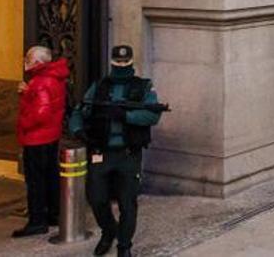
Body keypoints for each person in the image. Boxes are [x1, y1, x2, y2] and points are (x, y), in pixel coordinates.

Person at [69, 45, 164, 257]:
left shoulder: (143, 87)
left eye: (125, 62)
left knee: (127, 203)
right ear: (112, 62)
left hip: (127, 154)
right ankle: (108, 231)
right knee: (96, 198)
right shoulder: (100, 86)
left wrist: (125, 116)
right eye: (118, 62)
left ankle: (124, 245)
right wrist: (78, 130)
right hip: (101, 152)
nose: (121, 65)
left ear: (131, 62)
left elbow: (152, 115)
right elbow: (80, 110)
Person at [14, 46, 69, 237]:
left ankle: (37, 220)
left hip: (37, 138)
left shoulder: (40, 82)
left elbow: (41, 112)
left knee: (35, 180)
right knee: (50, 176)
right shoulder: (53, 77)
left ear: (38, 62)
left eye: (28, 57)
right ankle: (53, 213)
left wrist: (23, 123)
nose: (25, 60)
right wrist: (28, 93)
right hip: (50, 135)